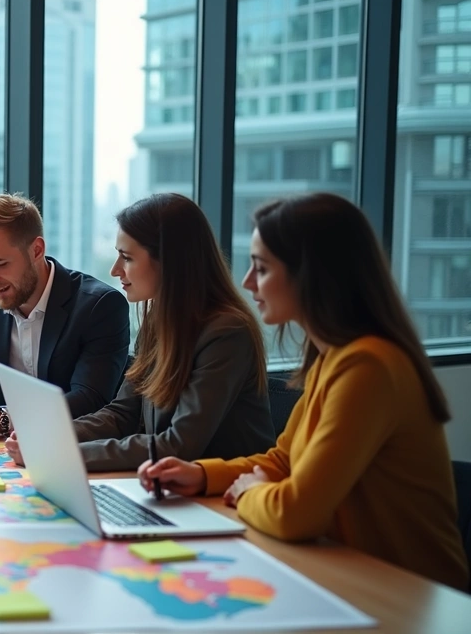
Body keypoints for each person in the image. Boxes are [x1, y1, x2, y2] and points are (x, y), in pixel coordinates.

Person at [138, 193, 469, 591]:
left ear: (310, 275)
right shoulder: (334, 358)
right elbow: (283, 460)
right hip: (350, 574)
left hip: (406, 592)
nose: (246, 282)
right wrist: (202, 474)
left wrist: (249, 492)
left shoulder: (369, 366)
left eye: (261, 268)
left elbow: (295, 514)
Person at [6, 194, 275, 470]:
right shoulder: (158, 320)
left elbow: (178, 445)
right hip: (174, 491)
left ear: (169, 262)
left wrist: (58, 455)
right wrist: (46, 437)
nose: (115, 270)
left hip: (227, 502)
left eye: (127, 257)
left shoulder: (227, 333)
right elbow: (122, 414)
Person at [0, 193, 130, 440]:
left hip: (75, 451)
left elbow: (90, 399)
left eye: (0, 264)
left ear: (36, 250)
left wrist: (3, 419)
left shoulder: (100, 306)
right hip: (10, 453)